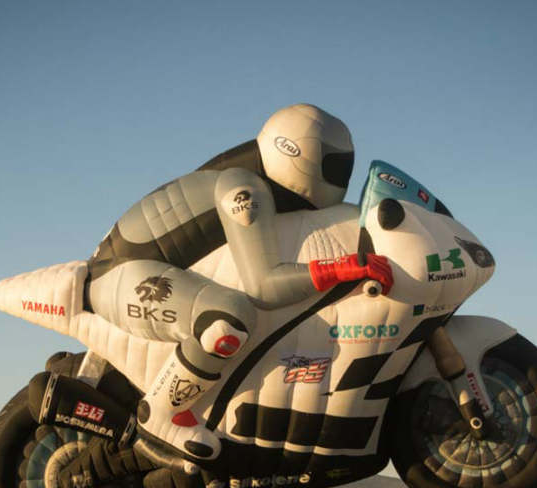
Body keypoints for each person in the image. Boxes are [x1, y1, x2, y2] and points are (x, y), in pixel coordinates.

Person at [87, 104, 391, 460]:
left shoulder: (252, 181)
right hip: (118, 275)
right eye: (335, 164)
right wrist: (340, 268)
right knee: (228, 317)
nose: (342, 176)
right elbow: (264, 286)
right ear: (298, 154)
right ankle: (159, 415)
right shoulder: (244, 188)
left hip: (141, 270)